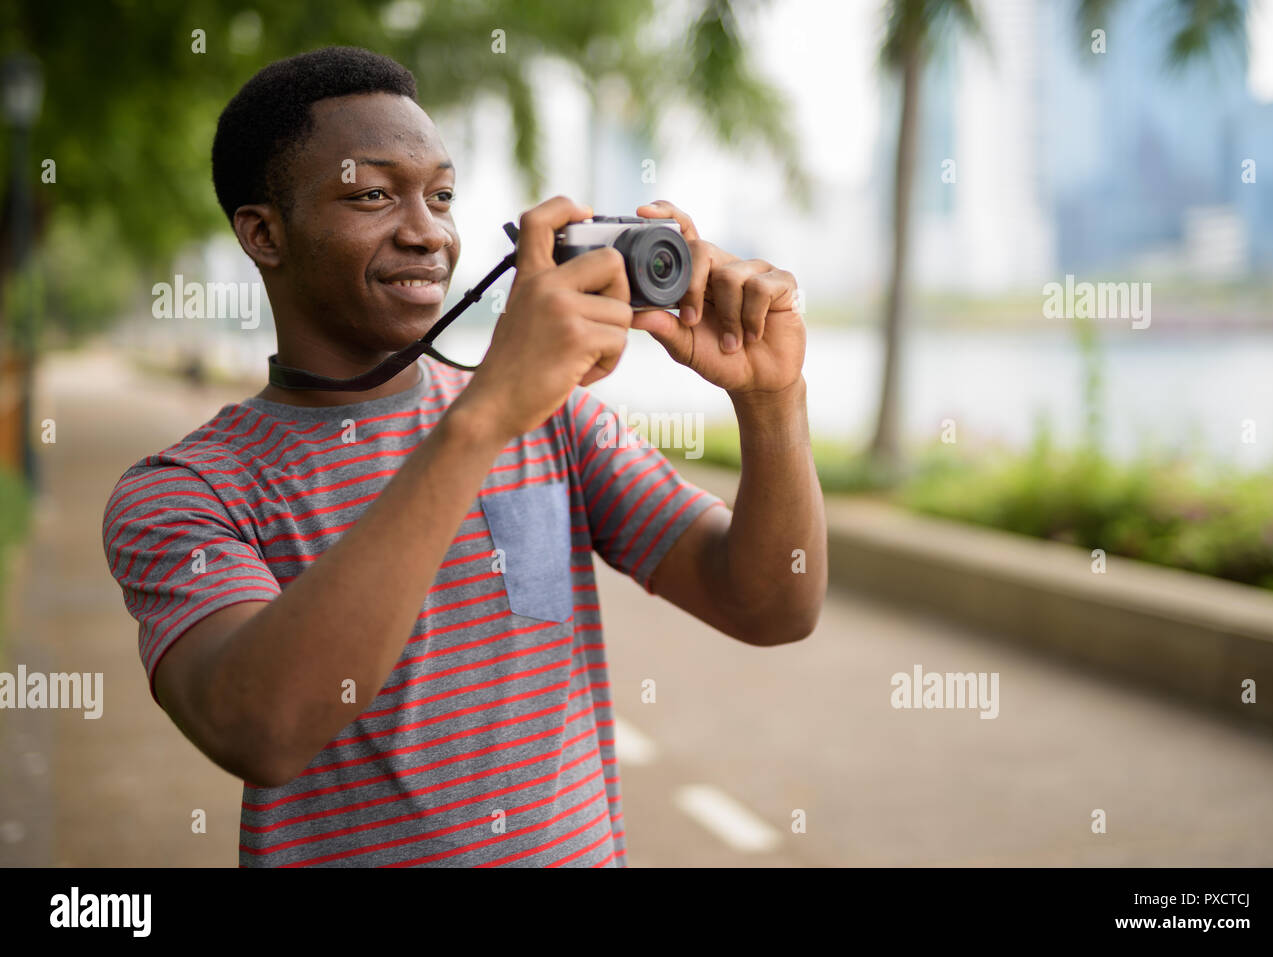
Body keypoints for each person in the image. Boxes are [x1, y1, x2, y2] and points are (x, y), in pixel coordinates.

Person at [102, 46, 826, 868]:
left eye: (440, 196)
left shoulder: (557, 423)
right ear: (264, 233)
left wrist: (771, 403)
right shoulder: (186, 493)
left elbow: (773, 605)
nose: (425, 232)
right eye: (372, 194)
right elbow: (260, 725)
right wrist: (483, 420)